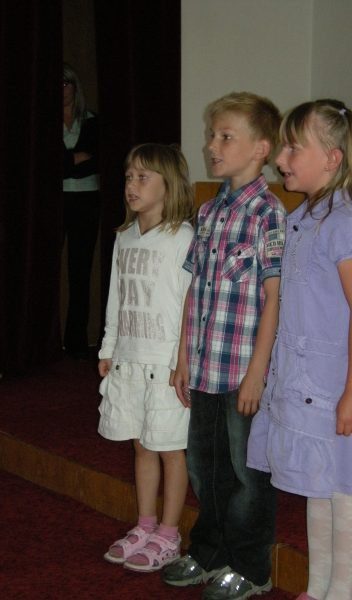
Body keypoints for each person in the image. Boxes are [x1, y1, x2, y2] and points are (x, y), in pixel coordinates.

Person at [247, 99, 352, 600]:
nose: (281, 158)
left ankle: (340, 593)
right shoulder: (299, 218)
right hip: (300, 378)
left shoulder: (345, 225)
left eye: (292, 148)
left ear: (332, 158)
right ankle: (317, 588)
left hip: (333, 384)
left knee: (342, 488)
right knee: (315, 487)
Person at [163, 92, 286, 600]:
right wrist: (182, 357)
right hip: (205, 367)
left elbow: (275, 297)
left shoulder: (268, 213)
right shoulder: (209, 210)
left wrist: (258, 371)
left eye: (225, 137)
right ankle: (209, 552)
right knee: (204, 466)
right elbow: (195, 289)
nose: (212, 146)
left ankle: (250, 567)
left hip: (241, 374)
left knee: (247, 474)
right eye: (211, 135)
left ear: (261, 148)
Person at [98, 143, 194, 572]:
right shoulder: (124, 237)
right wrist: (108, 348)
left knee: (170, 448)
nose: (131, 186)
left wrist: (182, 361)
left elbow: (189, 306)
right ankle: (145, 524)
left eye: (142, 177)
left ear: (168, 185)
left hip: (166, 365)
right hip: (130, 359)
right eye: (128, 177)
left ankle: (169, 534)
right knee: (141, 445)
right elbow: (116, 299)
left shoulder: (183, 238)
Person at [63, 63, 100, 360]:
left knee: (80, 271)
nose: (62, 89)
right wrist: (76, 159)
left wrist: (66, 162)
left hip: (87, 201)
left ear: (76, 87)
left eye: (66, 83)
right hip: (54, 201)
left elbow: (96, 162)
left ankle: (76, 340)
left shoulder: (92, 122)